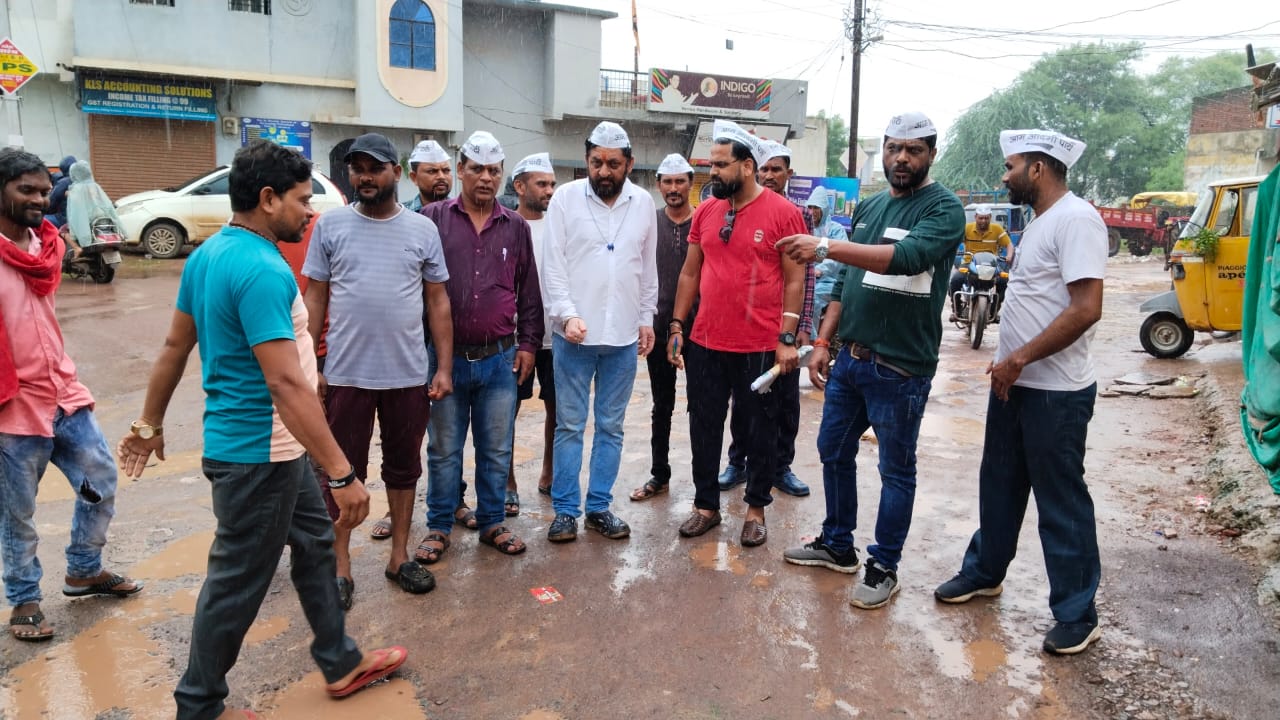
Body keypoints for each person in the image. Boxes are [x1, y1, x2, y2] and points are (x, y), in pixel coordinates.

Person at [117, 140, 408, 718]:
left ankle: (340, 660)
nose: (310, 211)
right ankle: (199, 706)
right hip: (257, 455)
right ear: (268, 198)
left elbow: (175, 346)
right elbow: (285, 383)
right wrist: (342, 472)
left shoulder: (209, 255)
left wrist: (149, 423)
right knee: (236, 583)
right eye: (302, 199)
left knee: (315, 544)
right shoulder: (261, 268)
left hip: (274, 449)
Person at [776, 111, 964, 609]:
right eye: (893, 148)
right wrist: (823, 342)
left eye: (914, 150)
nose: (901, 158)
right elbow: (844, 280)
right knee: (833, 449)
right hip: (851, 361)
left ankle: (884, 566)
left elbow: (907, 258)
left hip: (901, 367)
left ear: (931, 154)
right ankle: (838, 545)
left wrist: (824, 245)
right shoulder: (871, 206)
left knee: (895, 469)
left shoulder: (943, 209)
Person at [934, 129, 1106, 656]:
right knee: (1000, 484)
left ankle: (1077, 614)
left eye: (1010, 167)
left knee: (1060, 500)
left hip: (1055, 392)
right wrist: (1009, 362)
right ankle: (985, 571)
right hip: (1014, 383)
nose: (1004, 176)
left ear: (1037, 168)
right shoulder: (1038, 222)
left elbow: (1086, 308)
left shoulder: (1077, 219)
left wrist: (1020, 357)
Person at [302, 133, 453, 604]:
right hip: (345, 373)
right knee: (340, 469)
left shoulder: (422, 230)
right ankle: (340, 564)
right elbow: (315, 296)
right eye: (358, 169)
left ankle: (399, 557)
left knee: (404, 468)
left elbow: (438, 301)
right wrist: (311, 364)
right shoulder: (330, 226)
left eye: (375, 168)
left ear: (396, 172)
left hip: (407, 374)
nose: (365, 177)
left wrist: (443, 367)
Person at [0, 148, 142, 644]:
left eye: (44, 191)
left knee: (100, 479)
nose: (40, 199)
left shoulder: (47, 247)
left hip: (63, 393)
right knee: (17, 512)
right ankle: (24, 599)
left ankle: (83, 570)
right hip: (12, 406)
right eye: (27, 190)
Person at [667, 120, 807, 547]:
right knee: (703, 425)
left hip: (760, 346)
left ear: (747, 166)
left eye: (721, 165)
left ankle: (756, 509)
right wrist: (677, 325)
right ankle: (706, 506)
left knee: (760, 429)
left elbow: (795, 280)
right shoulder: (707, 210)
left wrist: (787, 338)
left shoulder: (783, 213)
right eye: (711, 164)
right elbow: (690, 272)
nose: (713, 172)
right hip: (706, 341)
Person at [419, 131, 543, 561]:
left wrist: (528, 344)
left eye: (494, 170)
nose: (486, 178)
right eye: (477, 169)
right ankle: (438, 526)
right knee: (443, 449)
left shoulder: (516, 226)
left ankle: (492, 522)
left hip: (499, 359)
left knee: (496, 448)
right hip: (445, 360)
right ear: (460, 171)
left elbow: (528, 290)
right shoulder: (432, 219)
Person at [541, 120, 657, 542]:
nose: (603, 171)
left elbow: (647, 269)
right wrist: (566, 314)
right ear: (587, 160)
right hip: (574, 337)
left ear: (629, 163)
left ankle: (599, 507)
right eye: (596, 162)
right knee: (570, 425)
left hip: (623, 338)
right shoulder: (565, 199)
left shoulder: (643, 203)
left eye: (612, 164)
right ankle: (565, 512)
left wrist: (646, 318)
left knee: (611, 426)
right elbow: (553, 265)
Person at [717, 140, 815, 499]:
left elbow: (804, 276)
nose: (769, 175)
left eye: (776, 169)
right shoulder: (736, 209)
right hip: (748, 327)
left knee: (786, 401)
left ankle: (781, 467)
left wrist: (802, 325)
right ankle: (737, 462)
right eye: (764, 169)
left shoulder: (796, 214)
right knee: (744, 399)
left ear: (789, 173)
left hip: (785, 328)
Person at [629, 153, 694, 501]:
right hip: (657, 326)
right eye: (667, 181)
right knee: (662, 405)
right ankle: (659, 473)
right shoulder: (649, 222)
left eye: (679, 180)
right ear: (658, 184)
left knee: (703, 406)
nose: (673, 188)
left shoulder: (704, 221)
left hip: (699, 328)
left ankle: (705, 481)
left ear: (690, 183)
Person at [509, 151, 558, 509]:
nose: (549, 191)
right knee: (505, 412)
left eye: (552, 184)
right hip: (515, 338)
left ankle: (549, 473)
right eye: (542, 184)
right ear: (520, 186)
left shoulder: (559, 226)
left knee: (558, 411)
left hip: (556, 338)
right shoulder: (506, 226)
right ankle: (507, 480)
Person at [949, 203, 1014, 321]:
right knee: (955, 280)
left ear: (990, 217)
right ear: (976, 217)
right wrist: (952, 249)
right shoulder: (967, 228)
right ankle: (957, 310)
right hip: (969, 262)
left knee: (1003, 281)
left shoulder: (997, 229)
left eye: (986, 218)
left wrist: (1009, 256)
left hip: (991, 264)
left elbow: (1009, 244)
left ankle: (994, 311)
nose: (983, 221)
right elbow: (955, 240)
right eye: (981, 218)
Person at [63, 160, 125, 257]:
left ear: (73, 175)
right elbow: (106, 204)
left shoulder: (76, 189)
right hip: (103, 218)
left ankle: (76, 248)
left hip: (89, 220)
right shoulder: (95, 186)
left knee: (63, 230)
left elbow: (75, 213)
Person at [404, 139, 453, 211]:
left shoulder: (462, 213)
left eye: (446, 170)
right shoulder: (402, 214)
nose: (441, 176)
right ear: (414, 177)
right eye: (432, 171)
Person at [45, 155, 76, 228]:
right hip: (80, 219)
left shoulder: (64, 182)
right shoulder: (84, 181)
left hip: (64, 220)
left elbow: (51, 203)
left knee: (38, 219)